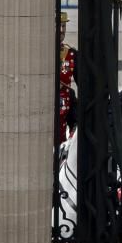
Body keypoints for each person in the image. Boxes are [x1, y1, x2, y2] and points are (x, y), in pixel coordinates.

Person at [56, 11, 77, 145]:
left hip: (64, 110)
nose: (62, 30)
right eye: (59, 26)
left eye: (64, 26)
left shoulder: (71, 54)